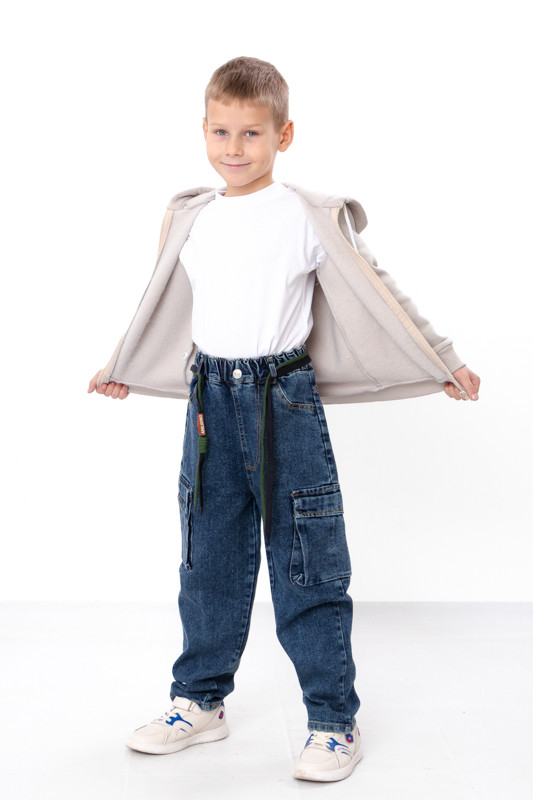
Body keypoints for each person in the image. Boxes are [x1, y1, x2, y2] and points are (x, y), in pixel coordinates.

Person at [88, 56, 480, 783]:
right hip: (210, 403)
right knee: (206, 559)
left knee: (307, 562)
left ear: (283, 135)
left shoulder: (305, 216)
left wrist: (444, 359)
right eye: (220, 132)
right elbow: (161, 305)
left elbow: (378, 290)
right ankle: (199, 702)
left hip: (283, 399)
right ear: (203, 130)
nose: (234, 148)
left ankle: (332, 721)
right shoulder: (192, 218)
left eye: (251, 133)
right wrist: (121, 363)